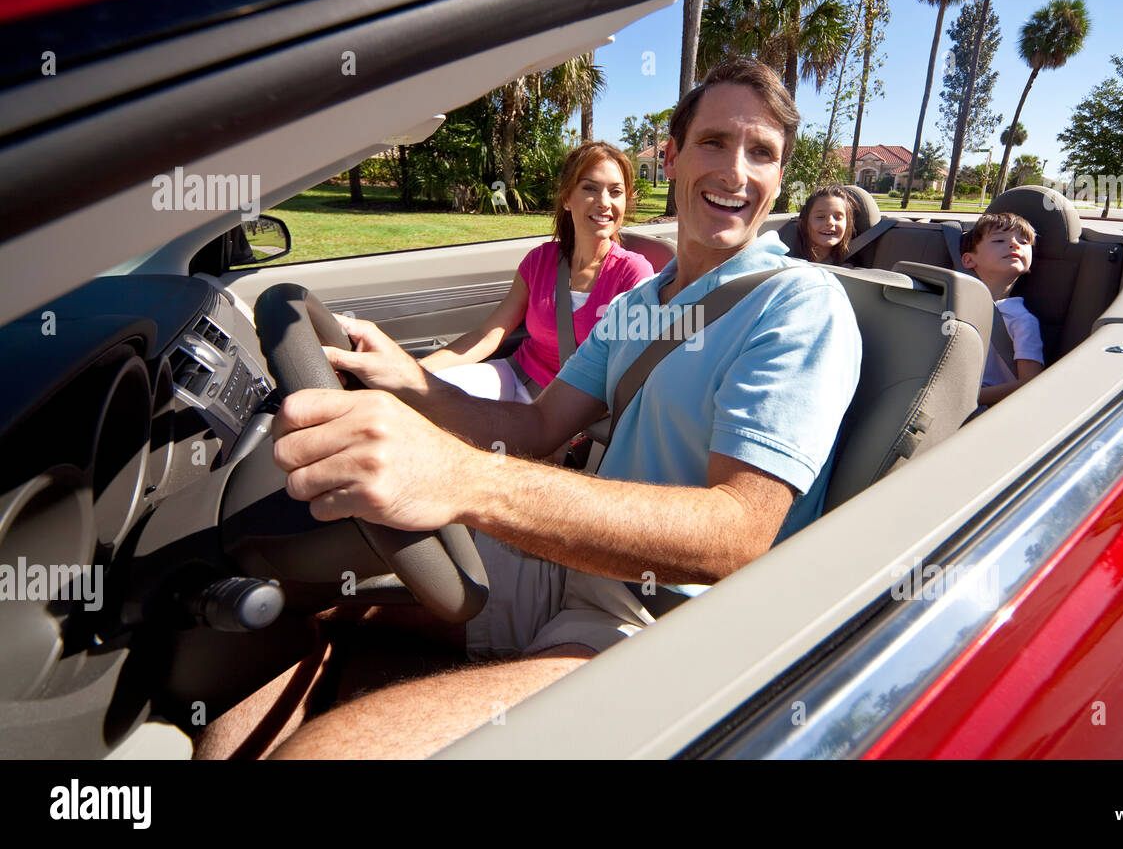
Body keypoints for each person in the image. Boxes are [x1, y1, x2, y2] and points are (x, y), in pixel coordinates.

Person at [212, 58, 861, 759]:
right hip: (567, 560)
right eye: (714, 143)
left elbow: (736, 534)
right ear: (671, 157)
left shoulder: (798, 306)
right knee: (301, 598)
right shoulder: (644, 304)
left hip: (657, 617)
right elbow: (536, 426)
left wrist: (464, 480)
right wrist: (407, 380)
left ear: (780, 176)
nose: (736, 171)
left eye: (762, 152)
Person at [416, 141, 654, 404]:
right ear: (566, 198)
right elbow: (488, 335)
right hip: (517, 376)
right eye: (590, 188)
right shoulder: (540, 260)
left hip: (574, 407)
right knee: (426, 398)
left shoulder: (633, 273)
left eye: (616, 192)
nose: (604, 203)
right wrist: (416, 372)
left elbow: (629, 372)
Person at [959, 211, 1044, 406]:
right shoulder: (954, 305)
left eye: (1024, 242)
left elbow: (1029, 383)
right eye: (999, 241)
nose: (1015, 244)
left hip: (984, 409)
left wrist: (969, 399)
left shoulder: (1021, 320)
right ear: (969, 260)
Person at [790, 184, 857, 264]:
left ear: (848, 224)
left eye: (838, 217)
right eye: (820, 217)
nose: (830, 222)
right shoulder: (788, 259)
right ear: (803, 224)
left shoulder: (851, 266)